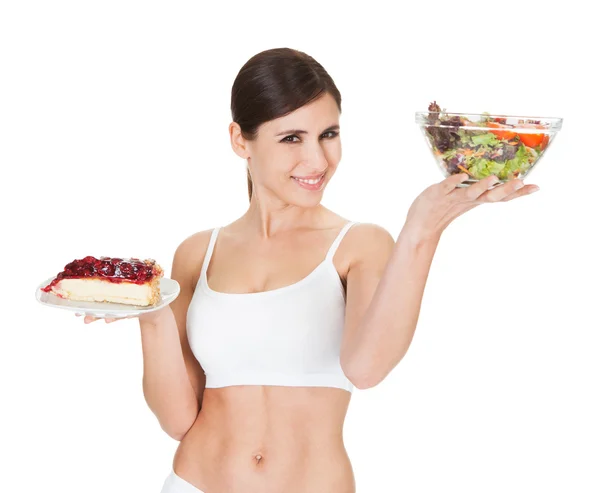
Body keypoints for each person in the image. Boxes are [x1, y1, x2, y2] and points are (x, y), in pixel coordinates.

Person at [80, 48, 539, 493]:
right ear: (241, 140)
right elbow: (178, 420)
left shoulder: (359, 245)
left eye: (329, 134)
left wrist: (423, 228)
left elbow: (366, 368)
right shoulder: (197, 253)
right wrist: (152, 317)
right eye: (291, 138)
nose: (318, 161)